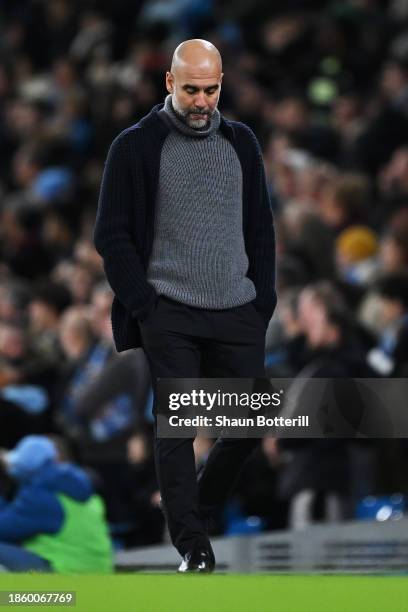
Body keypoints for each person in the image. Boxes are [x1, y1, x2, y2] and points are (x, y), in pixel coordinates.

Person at [94, 39, 276, 573]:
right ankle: (193, 545)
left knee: (249, 420)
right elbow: (112, 234)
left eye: (212, 89)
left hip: (237, 308)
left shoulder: (242, 143)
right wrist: (146, 305)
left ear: (222, 83)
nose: (202, 100)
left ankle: (196, 504)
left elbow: (260, 229)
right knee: (177, 422)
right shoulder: (134, 146)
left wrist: (262, 300)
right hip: (169, 308)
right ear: (170, 84)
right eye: (192, 89)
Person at [0, 435, 113, 573]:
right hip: (97, 571)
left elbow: (4, 528)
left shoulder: (39, 498)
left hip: (66, 575)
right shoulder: (76, 488)